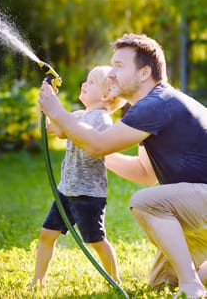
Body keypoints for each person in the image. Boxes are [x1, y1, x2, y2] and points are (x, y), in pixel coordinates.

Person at [38, 33, 207, 299]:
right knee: (161, 283)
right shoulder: (149, 108)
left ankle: (191, 286)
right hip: (198, 204)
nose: (112, 74)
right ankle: (193, 277)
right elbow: (146, 174)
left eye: (118, 66)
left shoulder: (156, 104)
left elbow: (98, 145)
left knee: (146, 202)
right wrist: (91, 150)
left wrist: (57, 112)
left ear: (144, 73)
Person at [29, 65, 125, 289]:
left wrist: (59, 113)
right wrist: (47, 105)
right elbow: (57, 129)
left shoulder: (101, 119)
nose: (84, 84)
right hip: (66, 189)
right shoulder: (78, 115)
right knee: (46, 233)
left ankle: (114, 279)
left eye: (91, 82)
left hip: (88, 194)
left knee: (96, 240)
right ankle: (38, 280)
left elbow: (85, 137)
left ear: (105, 95)